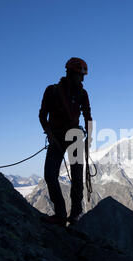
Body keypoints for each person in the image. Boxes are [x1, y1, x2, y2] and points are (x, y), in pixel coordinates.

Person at [39, 57, 93, 227]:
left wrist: (88, 140)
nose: (82, 79)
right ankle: (61, 214)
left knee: (77, 178)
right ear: (71, 73)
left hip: (74, 136)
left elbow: (88, 116)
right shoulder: (52, 91)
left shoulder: (82, 94)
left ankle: (74, 215)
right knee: (50, 175)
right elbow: (42, 115)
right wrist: (49, 133)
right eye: (80, 75)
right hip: (58, 137)